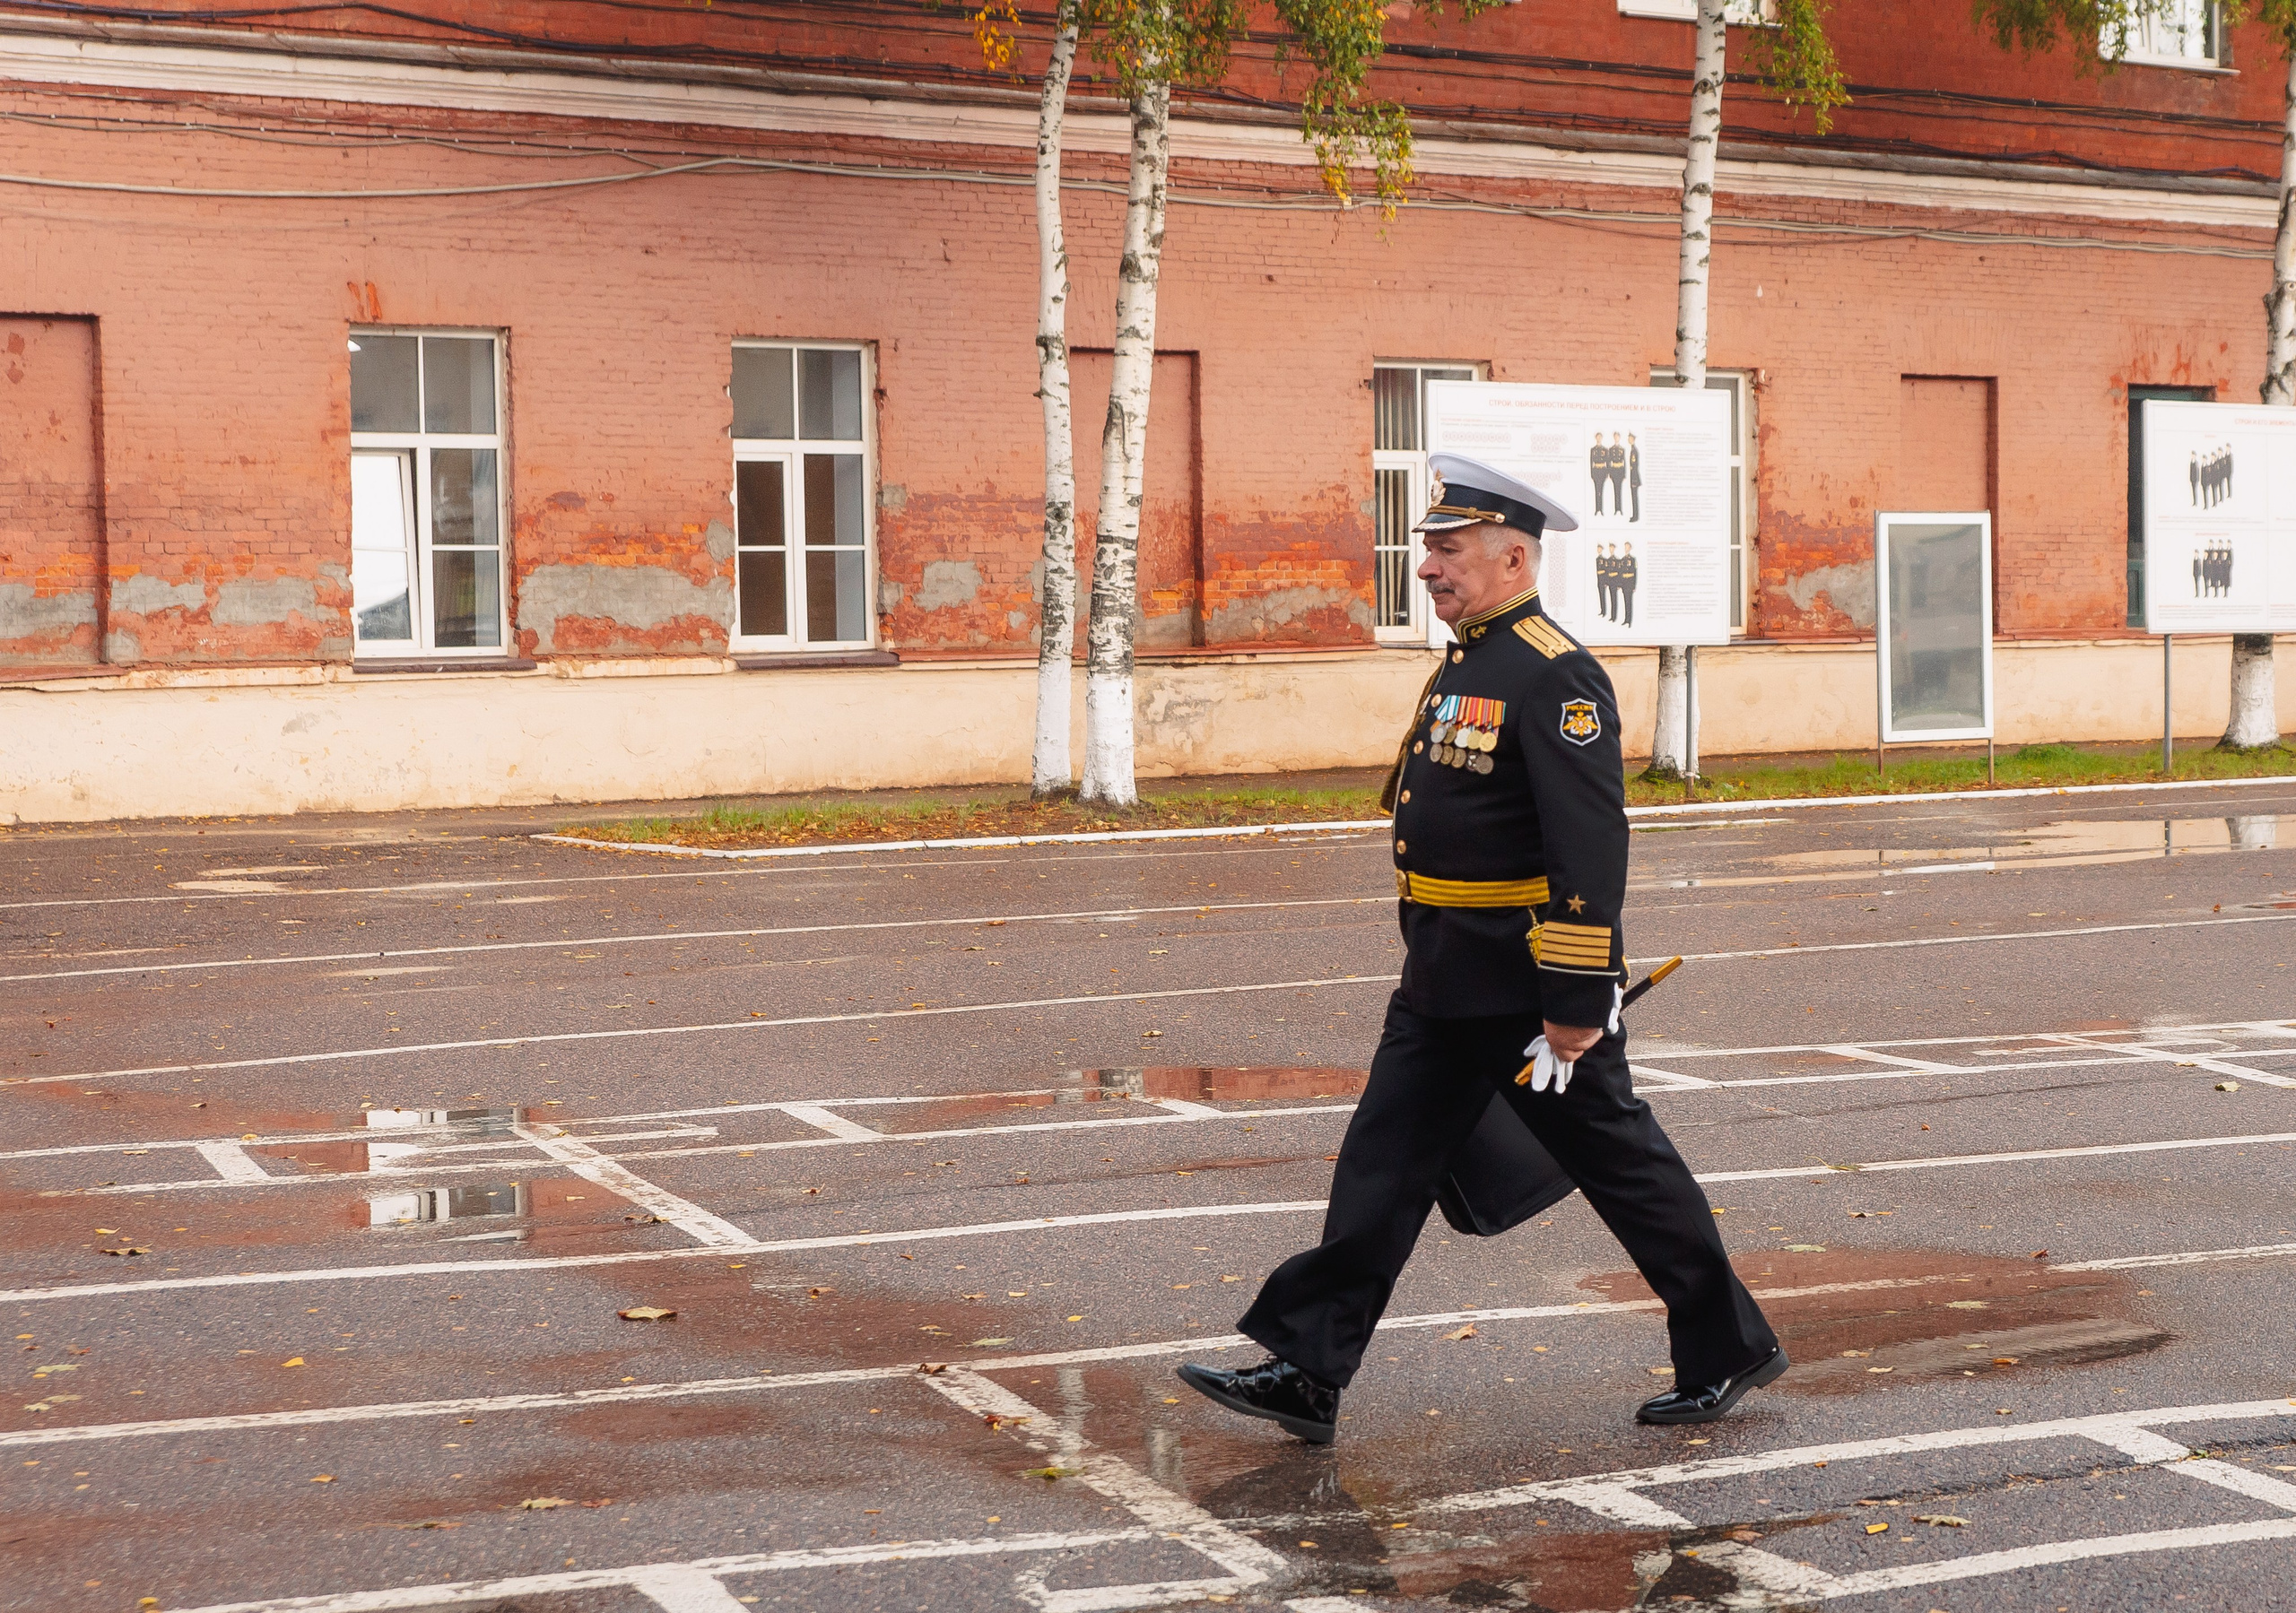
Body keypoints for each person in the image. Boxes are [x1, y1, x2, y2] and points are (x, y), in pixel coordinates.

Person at [1175, 452, 1785, 1445]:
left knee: (1624, 1165)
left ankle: (1725, 1345)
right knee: (1382, 1163)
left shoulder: (1553, 672)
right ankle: (1310, 1368)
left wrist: (1578, 995)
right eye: (1429, 551)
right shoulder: (1471, 657)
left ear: (1511, 558)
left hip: (1522, 978)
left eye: (1447, 551)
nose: (1428, 567)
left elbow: (1588, 841)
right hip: (1444, 969)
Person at [1619, 542, 1639, 628]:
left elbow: (1635, 573)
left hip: (1630, 584)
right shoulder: (1622, 559)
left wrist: (1634, 586)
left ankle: (1629, 621)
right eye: (1625, 547)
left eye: (1627, 547)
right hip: (1624, 584)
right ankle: (1626, 620)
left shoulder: (1633, 559)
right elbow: (1621, 573)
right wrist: (1620, 584)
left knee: (1629, 603)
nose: (1625, 548)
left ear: (1630, 548)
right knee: (1625, 602)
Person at [1627, 433, 1643, 523]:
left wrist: (1634, 480)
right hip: (1633, 477)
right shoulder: (1632, 449)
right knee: (1633, 498)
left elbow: (1635, 467)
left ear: (1632, 439)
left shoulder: (1634, 451)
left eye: (1629, 438)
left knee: (1634, 498)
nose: (1628, 440)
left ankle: (1635, 516)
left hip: (1634, 478)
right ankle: (1634, 515)